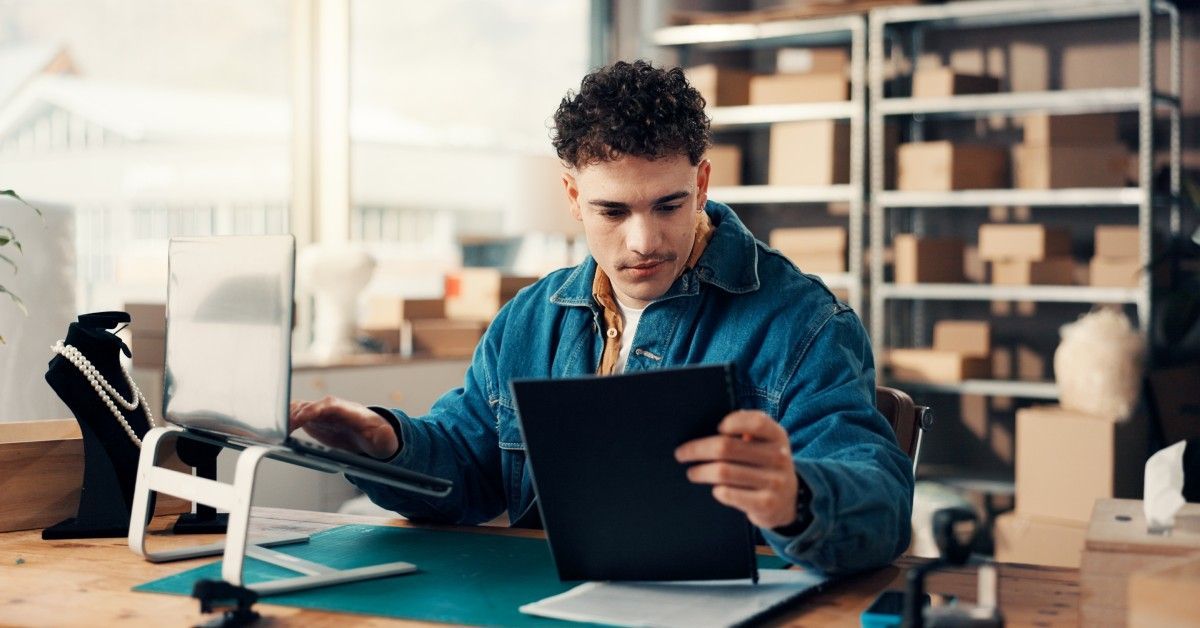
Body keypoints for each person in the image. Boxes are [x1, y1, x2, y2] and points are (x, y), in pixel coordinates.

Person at [290, 60, 913, 574]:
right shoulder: (529, 319)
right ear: (572, 198)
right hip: (543, 604)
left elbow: (880, 501)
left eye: (668, 205)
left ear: (701, 183)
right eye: (612, 212)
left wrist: (795, 498)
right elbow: (466, 468)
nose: (644, 240)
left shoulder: (806, 324)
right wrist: (387, 445)